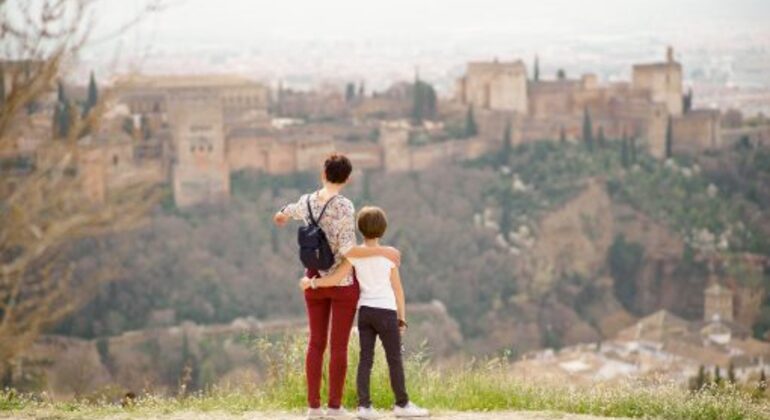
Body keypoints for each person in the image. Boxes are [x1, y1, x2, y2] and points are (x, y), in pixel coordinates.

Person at [274, 154, 401, 419]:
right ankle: (334, 407)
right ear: (347, 179)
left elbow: (286, 212)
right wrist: (385, 251)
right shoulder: (343, 206)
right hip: (342, 283)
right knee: (339, 346)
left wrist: (282, 215)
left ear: (323, 173)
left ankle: (313, 407)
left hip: (313, 280)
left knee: (316, 343)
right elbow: (348, 251)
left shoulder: (307, 201)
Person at [301, 206, 429, 419]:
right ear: (383, 229)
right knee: (394, 358)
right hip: (386, 312)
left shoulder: (354, 255)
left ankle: (364, 407)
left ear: (360, 229)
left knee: (365, 360)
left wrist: (311, 283)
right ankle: (402, 404)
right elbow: (398, 289)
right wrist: (402, 318)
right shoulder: (389, 256)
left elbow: (335, 279)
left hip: (365, 312)